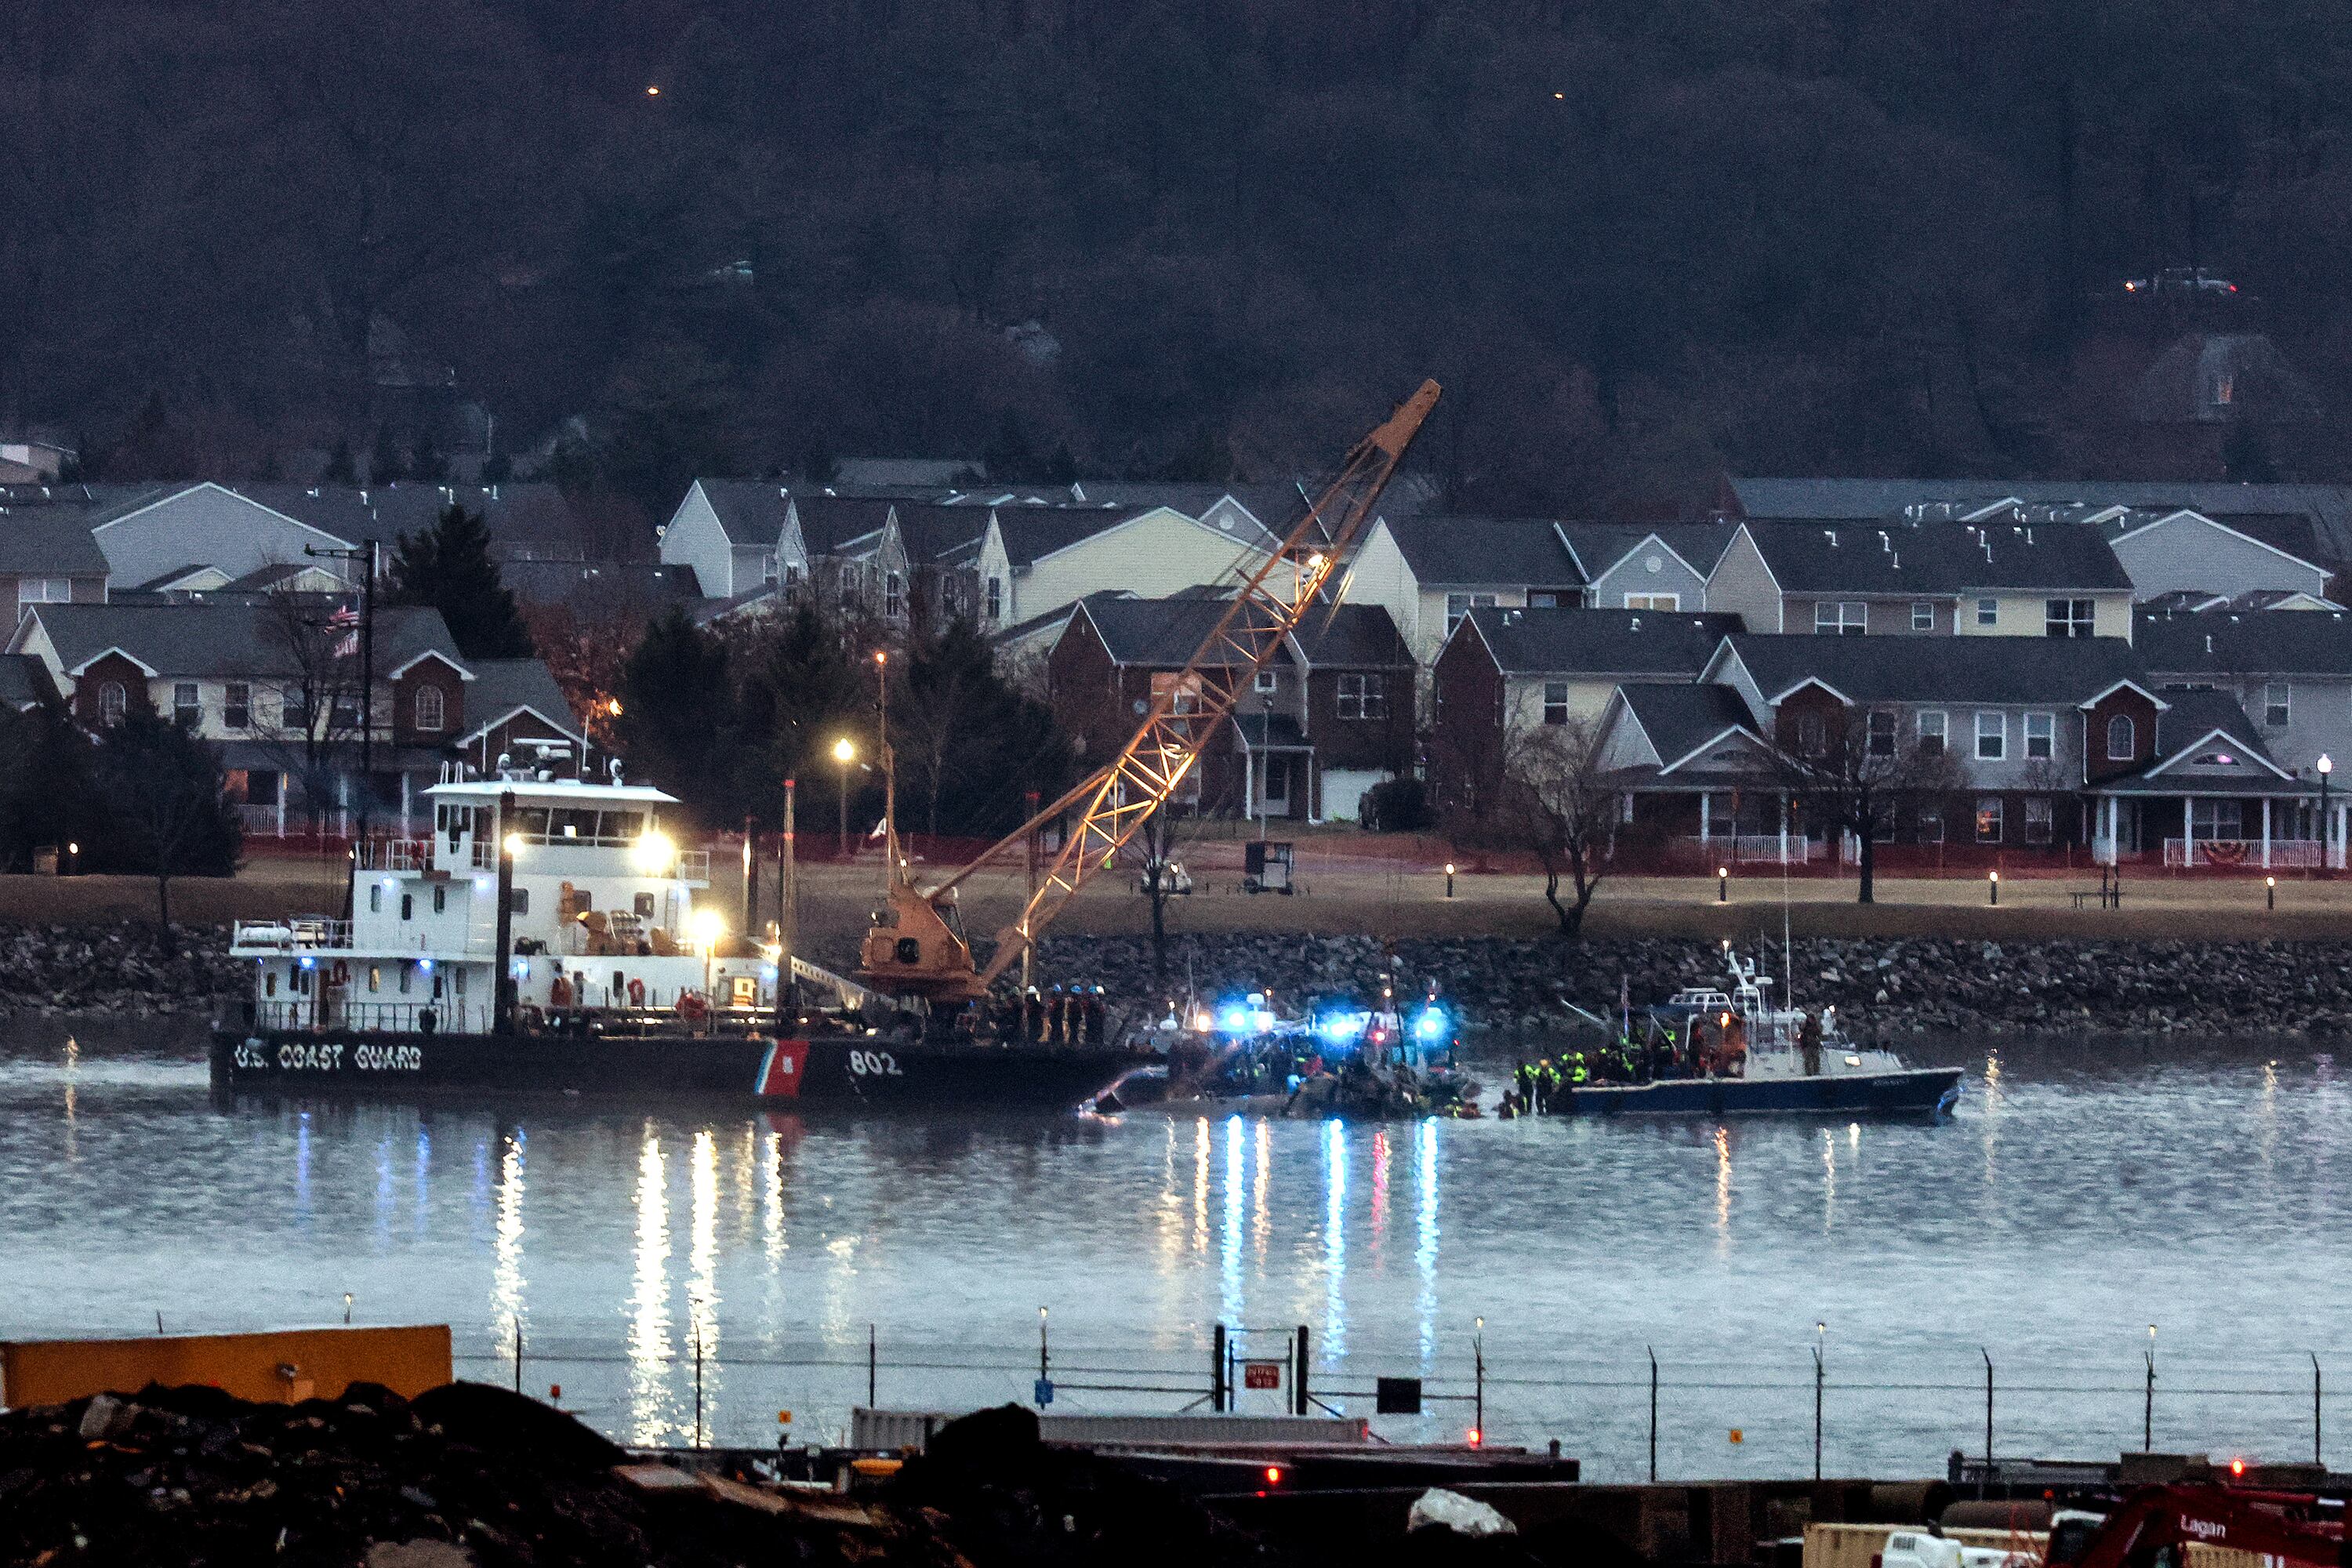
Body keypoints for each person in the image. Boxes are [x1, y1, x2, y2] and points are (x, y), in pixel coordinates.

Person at [1799, 1010, 1823, 1076]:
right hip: (1807, 1045)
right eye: (1810, 1018)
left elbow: (1819, 1034)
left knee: (1816, 1059)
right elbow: (1801, 1033)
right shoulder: (1805, 1027)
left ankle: (1816, 1071)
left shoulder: (1816, 1027)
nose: (1811, 1020)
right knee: (1808, 1060)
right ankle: (1808, 1073)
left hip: (1814, 1045)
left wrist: (1818, 1042)